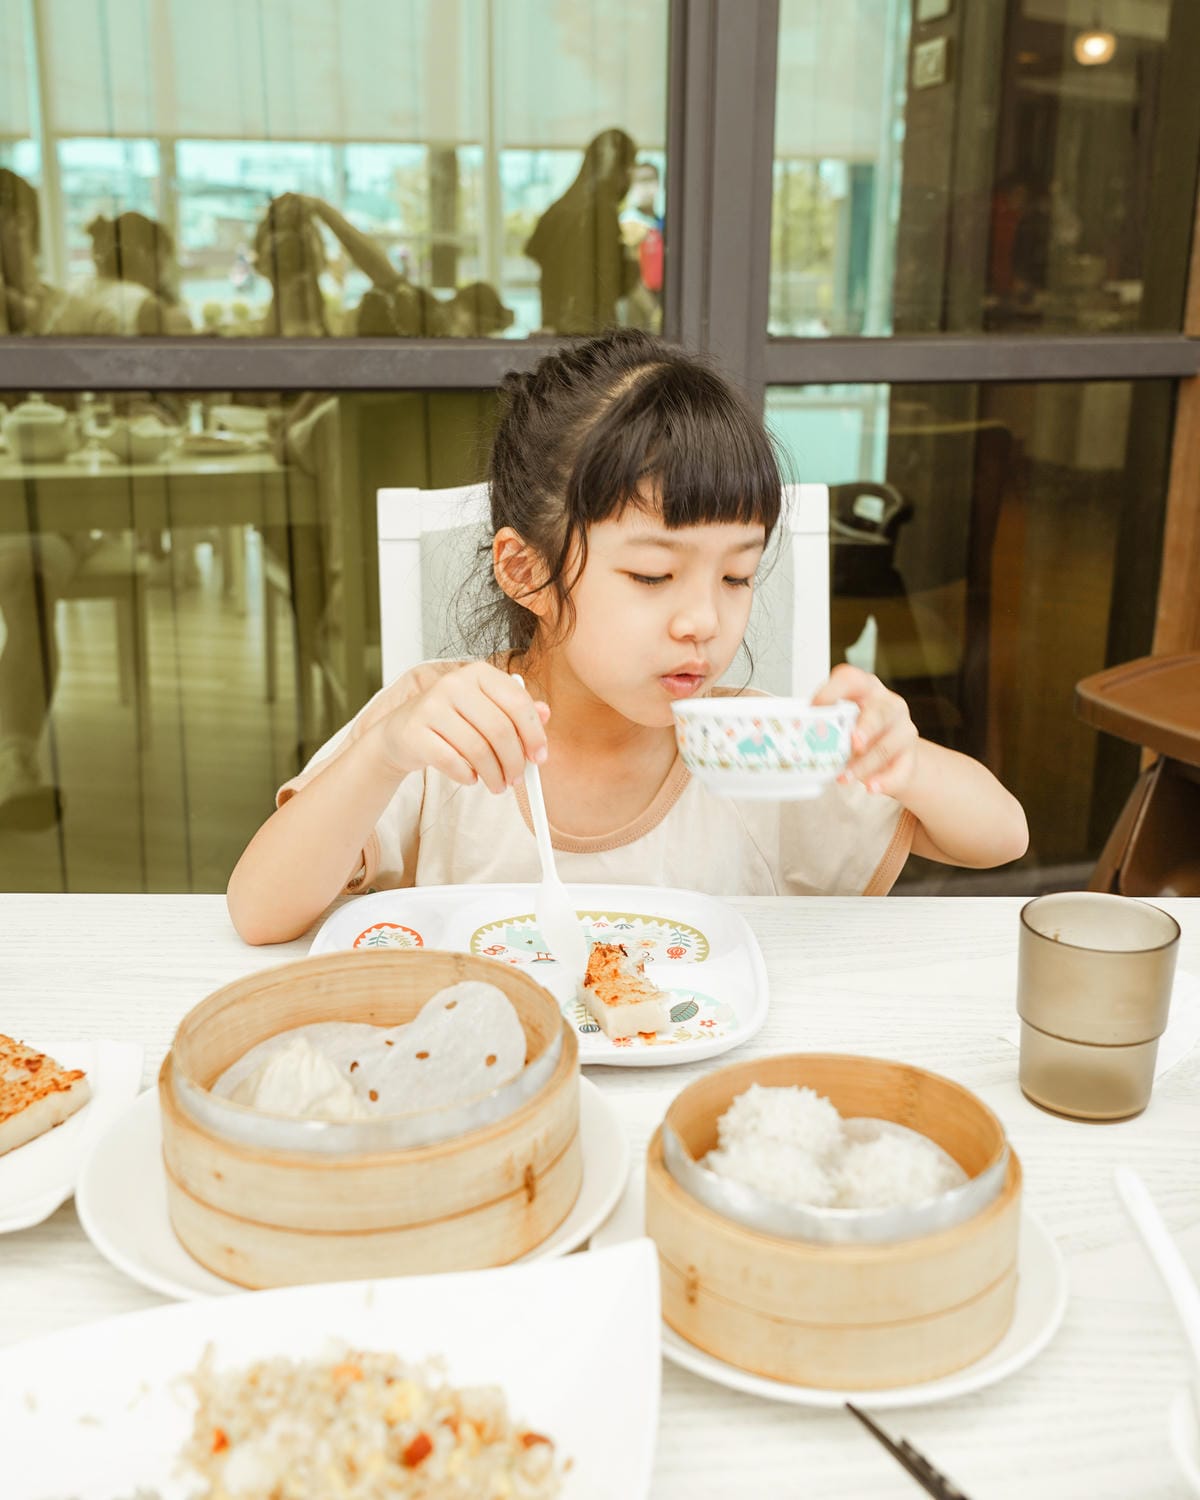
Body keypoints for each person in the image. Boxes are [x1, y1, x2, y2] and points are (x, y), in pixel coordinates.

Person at [227, 329, 1028, 945]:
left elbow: (1000, 837)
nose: (703, 620)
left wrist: (901, 756)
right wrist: (383, 752)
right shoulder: (439, 726)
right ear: (527, 571)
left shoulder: (751, 747)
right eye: (652, 575)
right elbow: (260, 912)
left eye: (736, 576)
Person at [524, 128, 640, 334]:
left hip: (561, 329)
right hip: (587, 334)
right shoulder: (601, 213)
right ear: (613, 168)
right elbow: (613, 283)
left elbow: (535, 251)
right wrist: (632, 254)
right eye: (629, 168)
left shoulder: (560, 208)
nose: (629, 178)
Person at [67, 212, 193, 335]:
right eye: (164, 256)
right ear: (144, 254)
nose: (164, 270)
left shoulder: (76, 288)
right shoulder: (145, 306)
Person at [619, 160, 665, 331]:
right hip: (638, 306)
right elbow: (629, 275)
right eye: (640, 181)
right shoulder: (628, 222)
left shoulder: (662, 222)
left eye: (650, 180)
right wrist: (652, 310)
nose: (646, 187)